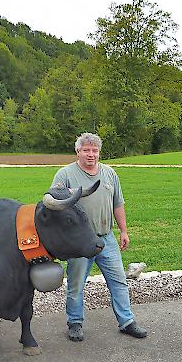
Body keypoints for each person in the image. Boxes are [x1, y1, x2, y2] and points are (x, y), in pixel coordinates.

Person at [51, 133, 146, 341]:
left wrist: (124, 230)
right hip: (79, 243)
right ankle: (75, 322)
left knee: (119, 281)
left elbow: (117, 204)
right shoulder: (64, 175)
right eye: (86, 150)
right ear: (78, 151)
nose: (91, 154)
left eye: (94, 150)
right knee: (76, 285)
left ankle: (127, 322)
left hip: (106, 238)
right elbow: (54, 205)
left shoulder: (110, 174)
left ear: (99, 152)